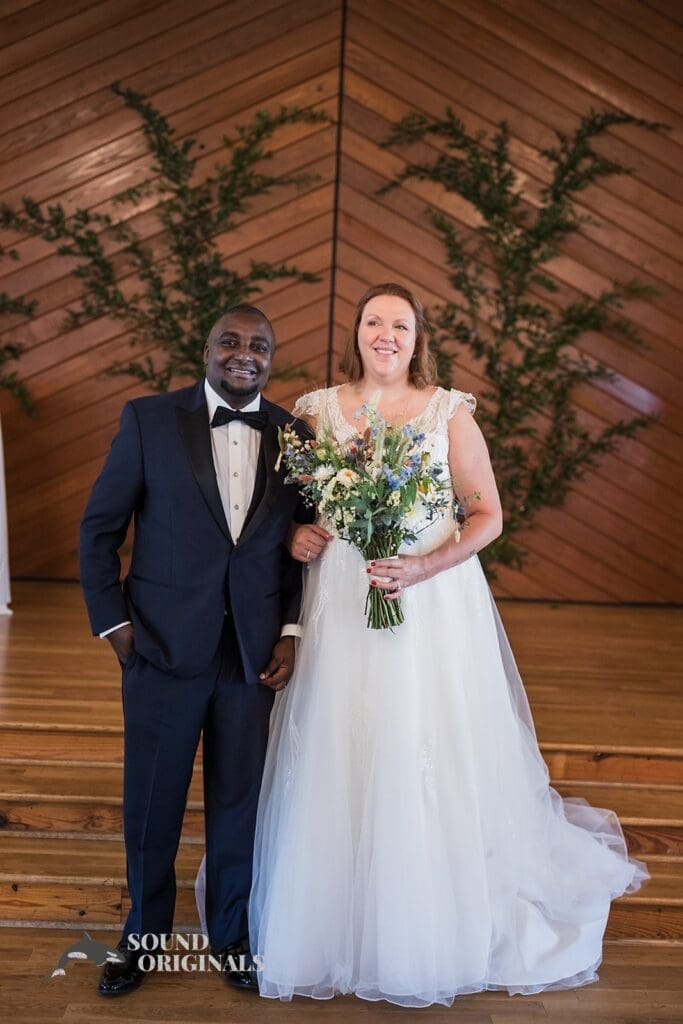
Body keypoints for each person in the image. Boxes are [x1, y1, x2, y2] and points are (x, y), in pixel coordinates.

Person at [238, 283, 649, 1008]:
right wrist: (299, 533)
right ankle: (330, 918)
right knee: (340, 742)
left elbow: (486, 513)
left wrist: (426, 565)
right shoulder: (312, 410)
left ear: (417, 337)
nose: (385, 334)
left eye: (400, 324)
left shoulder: (447, 412)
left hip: (427, 603)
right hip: (339, 600)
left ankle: (427, 919)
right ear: (356, 332)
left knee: (421, 744)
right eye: (373, 322)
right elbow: (291, 509)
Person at [79, 305, 312, 996]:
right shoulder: (149, 419)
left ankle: (232, 936)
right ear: (206, 349)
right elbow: (98, 530)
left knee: (237, 803)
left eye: (260, 346)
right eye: (231, 342)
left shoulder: (293, 435)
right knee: (152, 804)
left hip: (251, 655)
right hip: (158, 647)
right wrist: (113, 627)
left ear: (272, 358)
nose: (245, 354)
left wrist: (291, 631)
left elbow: (303, 544)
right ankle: (143, 940)